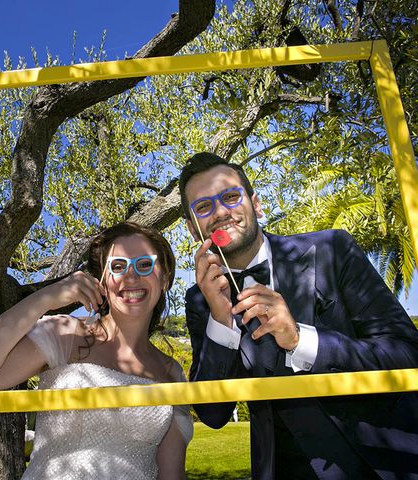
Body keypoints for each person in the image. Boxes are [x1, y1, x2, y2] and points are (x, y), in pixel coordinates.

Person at [179, 152, 418, 479]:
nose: (221, 212)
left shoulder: (332, 249)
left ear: (256, 204)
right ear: (194, 229)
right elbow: (213, 413)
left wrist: (301, 340)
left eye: (231, 197)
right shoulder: (199, 300)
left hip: (386, 463)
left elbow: (407, 353)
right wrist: (221, 319)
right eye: (204, 206)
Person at [0, 222, 193, 480]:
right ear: (102, 281)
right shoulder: (64, 335)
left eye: (144, 264)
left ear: (165, 278)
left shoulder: (170, 373)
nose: (131, 276)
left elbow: (171, 474)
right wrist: (45, 298)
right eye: (118, 266)